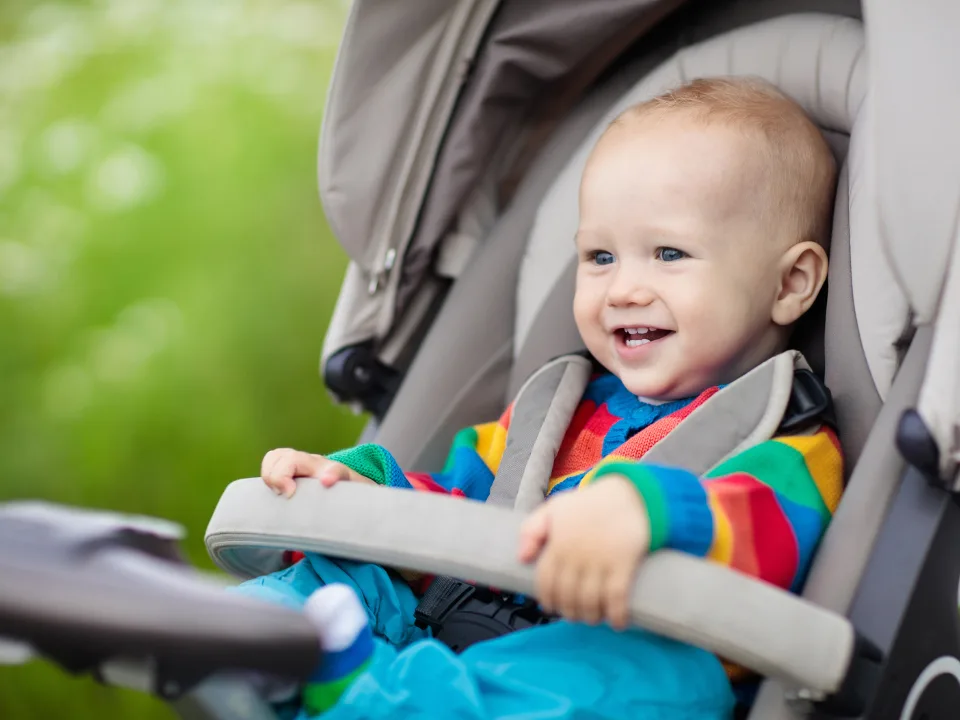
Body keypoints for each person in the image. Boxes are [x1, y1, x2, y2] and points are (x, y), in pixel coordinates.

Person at [235, 76, 843, 719]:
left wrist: (649, 512)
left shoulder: (787, 443)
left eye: (669, 253)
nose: (624, 289)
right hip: (452, 625)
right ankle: (266, 645)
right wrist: (362, 495)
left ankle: (351, 690)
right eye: (600, 256)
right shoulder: (551, 409)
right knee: (340, 575)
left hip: (615, 655)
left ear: (791, 283)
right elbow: (459, 503)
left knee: (639, 679)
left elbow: (764, 542)